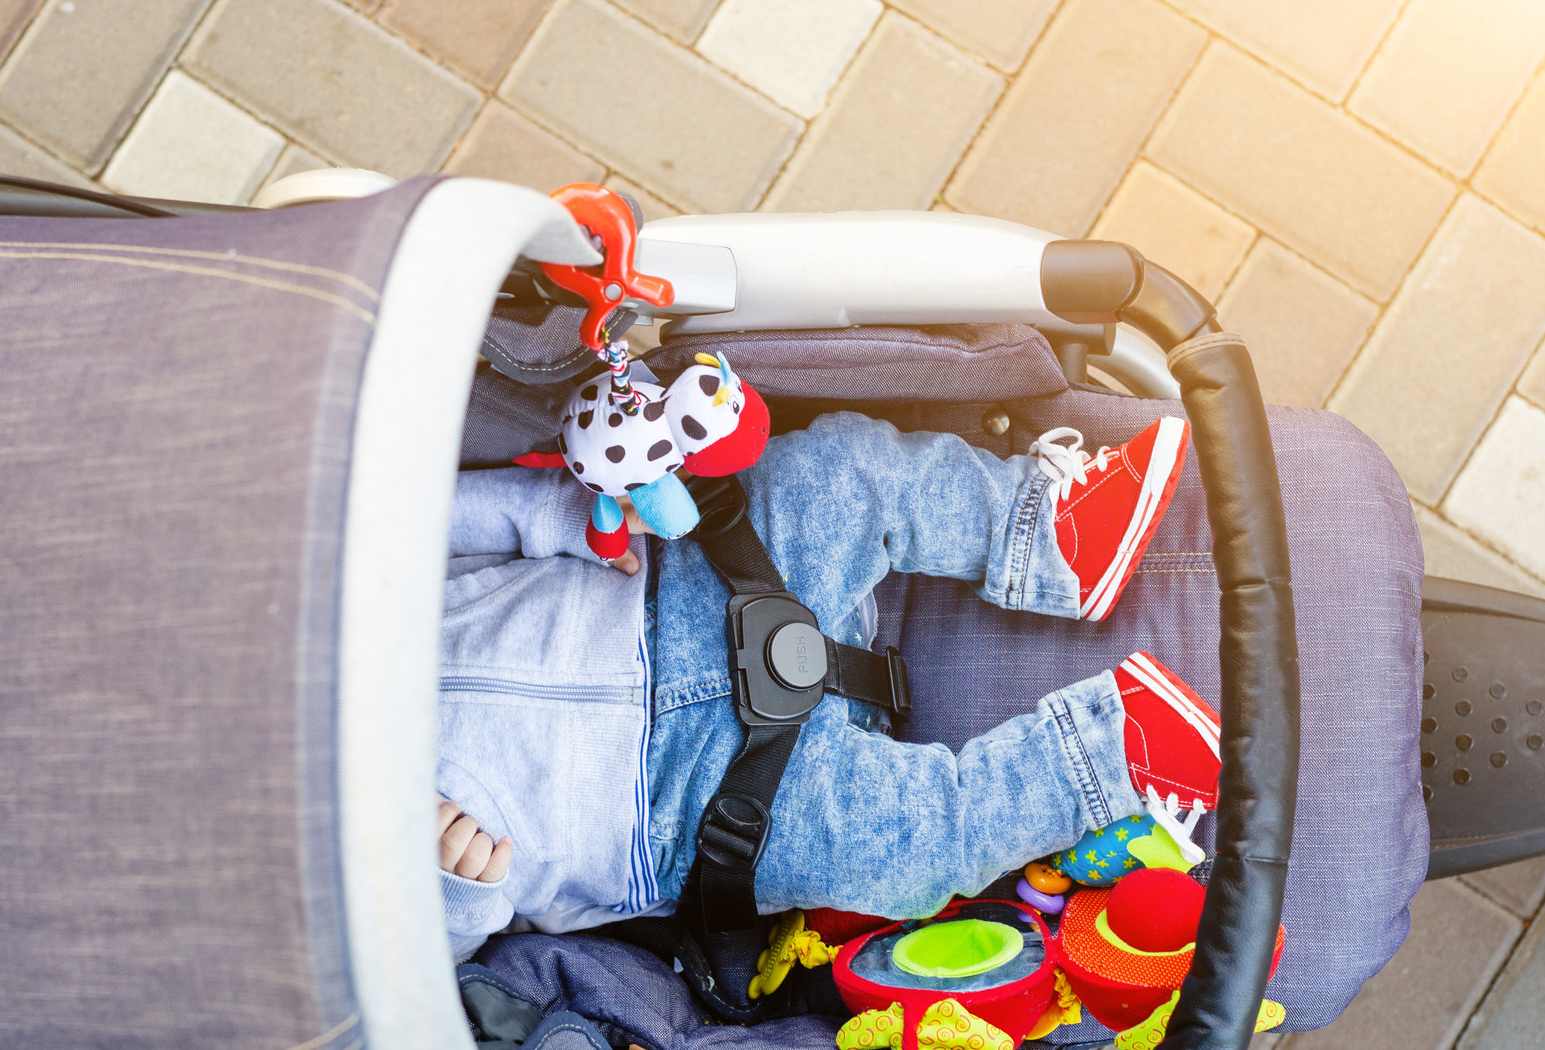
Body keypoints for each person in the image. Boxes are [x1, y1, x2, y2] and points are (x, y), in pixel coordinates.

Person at [432, 411, 1221, 962]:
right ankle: (1114, 752)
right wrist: (451, 892)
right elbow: (407, 965)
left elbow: (441, 518)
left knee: (835, 471)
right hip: (683, 813)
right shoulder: (323, 857)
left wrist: (580, 522)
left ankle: (1048, 533)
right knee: (912, 855)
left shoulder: (334, 578)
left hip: (679, 596)